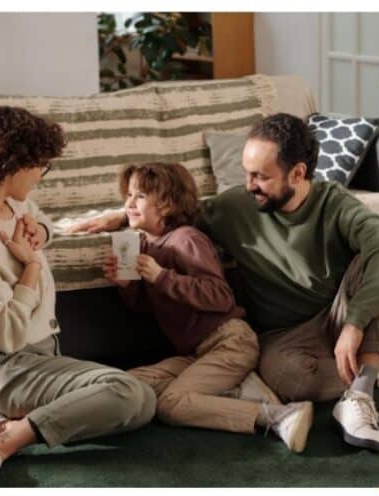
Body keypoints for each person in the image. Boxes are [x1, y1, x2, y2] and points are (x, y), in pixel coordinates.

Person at [69, 113, 379, 452]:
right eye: (246, 173)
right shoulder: (236, 205)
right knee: (290, 385)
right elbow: (176, 211)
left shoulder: (337, 206)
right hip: (282, 335)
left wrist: (354, 324)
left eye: (261, 176)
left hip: (337, 311)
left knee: (377, 260)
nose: (249, 186)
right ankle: (378, 363)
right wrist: (122, 216)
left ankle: (363, 388)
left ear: (297, 174)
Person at [0, 106, 156, 487]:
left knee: (142, 403)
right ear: (16, 164)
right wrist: (32, 269)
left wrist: (40, 231)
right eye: (40, 164)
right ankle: (3, 443)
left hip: (38, 354)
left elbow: (39, 219)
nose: (42, 174)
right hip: (5, 366)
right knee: (127, 392)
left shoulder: (9, 203)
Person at [103, 162, 313, 453]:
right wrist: (128, 286)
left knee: (171, 405)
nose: (129, 203)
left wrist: (162, 277)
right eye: (127, 195)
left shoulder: (186, 239)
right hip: (195, 353)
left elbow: (220, 296)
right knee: (128, 383)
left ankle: (278, 416)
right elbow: (149, 308)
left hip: (230, 342)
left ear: (166, 203)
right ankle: (238, 388)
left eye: (139, 196)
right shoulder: (146, 246)